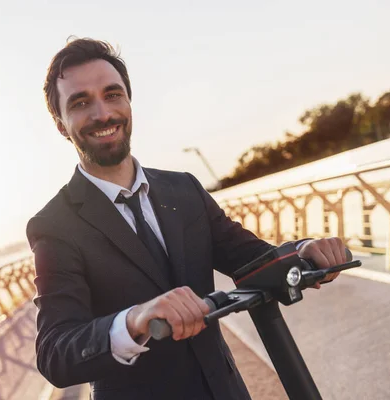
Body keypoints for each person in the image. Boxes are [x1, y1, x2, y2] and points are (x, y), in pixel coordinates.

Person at [26, 37, 345, 400]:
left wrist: (306, 251)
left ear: (129, 102)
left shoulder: (184, 190)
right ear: (60, 124)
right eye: (81, 103)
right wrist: (134, 319)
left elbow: (252, 259)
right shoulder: (54, 225)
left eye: (113, 95)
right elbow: (55, 352)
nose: (103, 114)